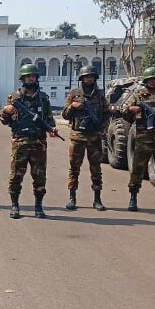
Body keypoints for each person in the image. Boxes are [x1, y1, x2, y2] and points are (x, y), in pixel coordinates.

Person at [0, 64, 59, 219]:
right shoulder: (14, 98)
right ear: (23, 78)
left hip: (39, 143)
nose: (31, 78)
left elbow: (49, 120)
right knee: (16, 176)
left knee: (39, 176)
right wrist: (6, 112)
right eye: (28, 76)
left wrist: (52, 129)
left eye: (33, 76)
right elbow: (4, 121)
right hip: (20, 142)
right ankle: (15, 205)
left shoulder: (44, 98)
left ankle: (38, 206)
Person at [122, 66, 155, 212]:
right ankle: (133, 198)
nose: (154, 82)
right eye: (151, 79)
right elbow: (124, 110)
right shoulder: (138, 96)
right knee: (137, 170)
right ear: (146, 81)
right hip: (143, 137)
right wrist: (132, 109)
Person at [62, 66, 109, 211]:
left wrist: (103, 129)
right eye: (86, 76)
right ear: (81, 78)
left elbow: (106, 113)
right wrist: (73, 107)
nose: (89, 79)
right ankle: (72, 197)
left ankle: (97, 199)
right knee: (74, 168)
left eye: (91, 77)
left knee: (96, 169)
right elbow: (65, 114)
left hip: (94, 137)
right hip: (78, 137)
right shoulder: (74, 93)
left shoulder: (100, 95)